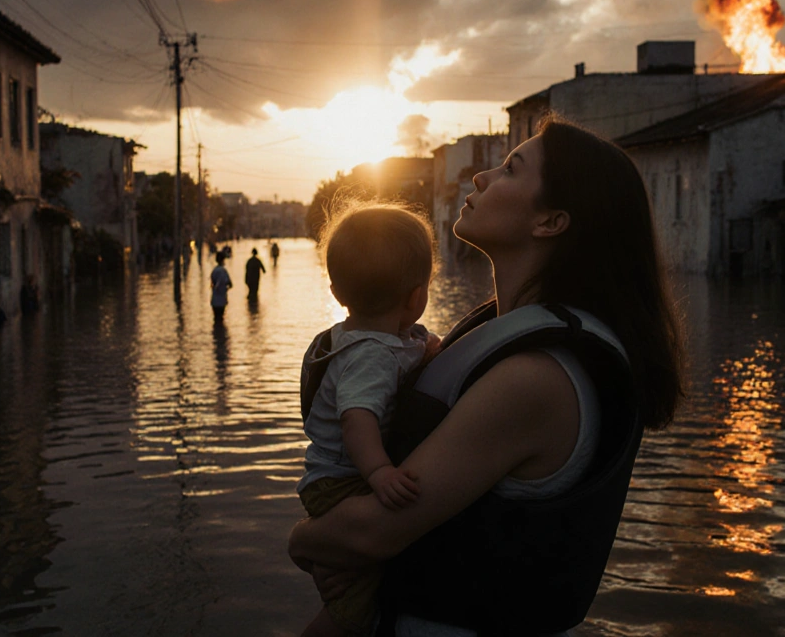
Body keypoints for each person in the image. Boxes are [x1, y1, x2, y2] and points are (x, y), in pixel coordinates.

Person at [288, 119, 685, 635]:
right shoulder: (499, 333)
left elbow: (371, 534)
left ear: (550, 222)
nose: (481, 177)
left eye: (510, 169)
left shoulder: (534, 378)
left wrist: (301, 541)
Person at [296, 203, 439, 637]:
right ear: (417, 297)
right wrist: (379, 472)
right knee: (355, 605)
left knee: (348, 575)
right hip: (345, 481)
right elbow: (356, 418)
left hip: (327, 476)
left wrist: (428, 353)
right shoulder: (372, 356)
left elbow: (408, 350)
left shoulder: (352, 339)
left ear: (337, 292)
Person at [210, 252, 233, 319]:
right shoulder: (223, 271)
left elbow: (212, 283)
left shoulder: (214, 271)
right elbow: (230, 284)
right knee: (220, 318)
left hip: (214, 300)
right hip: (222, 300)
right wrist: (225, 289)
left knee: (216, 318)